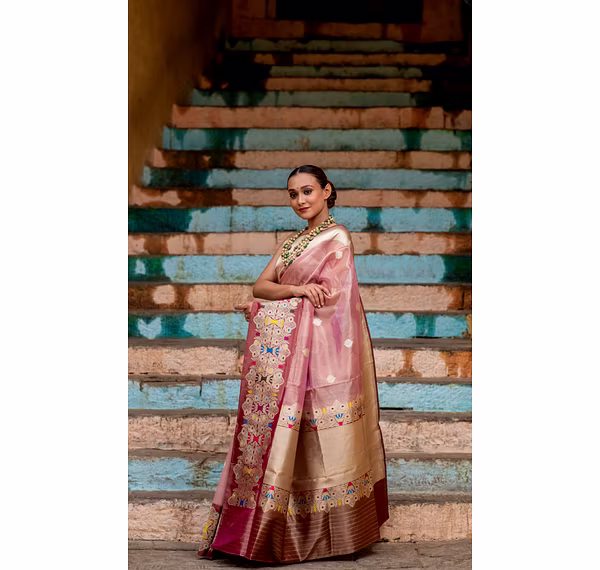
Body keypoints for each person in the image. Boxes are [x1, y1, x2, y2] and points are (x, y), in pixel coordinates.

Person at [197, 164, 389, 563]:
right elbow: (261, 286)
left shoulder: (337, 238)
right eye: (292, 194)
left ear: (327, 191)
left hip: (325, 356)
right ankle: (268, 531)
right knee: (285, 439)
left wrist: (280, 300)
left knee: (320, 443)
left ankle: (334, 536)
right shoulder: (290, 243)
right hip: (291, 360)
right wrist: (296, 290)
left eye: (307, 191)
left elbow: (333, 299)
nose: (300, 200)